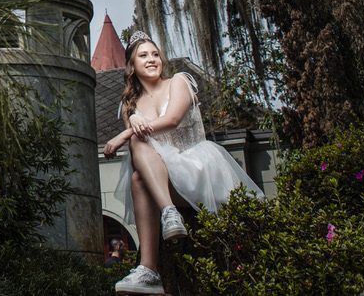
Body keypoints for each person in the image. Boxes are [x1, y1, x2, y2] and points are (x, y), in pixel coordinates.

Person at [102, 32, 263, 295]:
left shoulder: (179, 82)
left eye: (155, 54)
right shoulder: (128, 105)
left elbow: (173, 119)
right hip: (164, 181)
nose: (152, 59)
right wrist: (131, 124)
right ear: (131, 66)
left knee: (136, 144)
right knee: (137, 174)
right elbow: (142, 147)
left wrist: (126, 132)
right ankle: (151, 266)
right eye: (143, 55)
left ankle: (164, 225)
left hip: (198, 168)